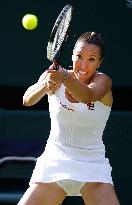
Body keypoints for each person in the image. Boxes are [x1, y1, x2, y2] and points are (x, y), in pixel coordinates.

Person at [18, 32, 120, 205]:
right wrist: (45, 84)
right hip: (55, 162)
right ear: (72, 55)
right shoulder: (56, 75)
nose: (83, 64)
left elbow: (87, 96)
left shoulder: (103, 81)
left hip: (93, 167)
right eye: (79, 56)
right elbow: (27, 100)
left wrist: (64, 78)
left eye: (91, 59)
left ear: (99, 63)